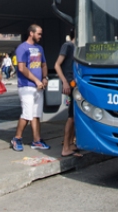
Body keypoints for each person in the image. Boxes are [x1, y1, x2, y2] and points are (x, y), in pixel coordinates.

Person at [11, 24, 50, 152]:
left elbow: (44, 65)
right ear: (31, 33)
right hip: (26, 87)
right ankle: (17, 138)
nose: (40, 36)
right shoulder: (22, 48)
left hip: (38, 86)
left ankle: (37, 140)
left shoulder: (40, 48)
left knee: (36, 115)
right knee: (27, 115)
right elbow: (22, 68)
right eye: (38, 33)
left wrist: (44, 78)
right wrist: (37, 80)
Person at [54, 29, 82, 158]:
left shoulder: (78, 47)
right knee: (71, 117)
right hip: (70, 85)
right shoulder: (68, 46)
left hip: (76, 85)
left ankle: (70, 144)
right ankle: (65, 147)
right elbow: (57, 65)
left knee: (74, 116)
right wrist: (64, 81)